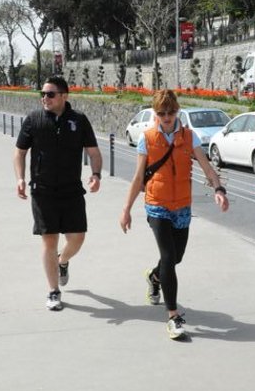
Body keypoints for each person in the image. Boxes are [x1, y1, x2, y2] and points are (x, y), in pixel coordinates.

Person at [120, 89, 229, 340]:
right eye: (162, 113)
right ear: (156, 113)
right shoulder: (147, 138)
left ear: (177, 111)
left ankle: (154, 277)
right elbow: (138, 177)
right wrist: (126, 210)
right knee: (168, 257)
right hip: (157, 204)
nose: (167, 117)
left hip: (182, 206)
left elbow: (206, 167)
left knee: (176, 257)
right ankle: (173, 316)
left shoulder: (189, 137)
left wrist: (219, 189)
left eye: (171, 112)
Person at [13, 76, 103, 311]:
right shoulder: (33, 119)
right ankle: (53, 291)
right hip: (42, 191)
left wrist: (96, 175)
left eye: (50, 94)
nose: (45, 98)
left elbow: (94, 152)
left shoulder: (79, 120)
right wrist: (20, 178)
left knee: (78, 238)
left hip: (72, 190)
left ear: (64, 96)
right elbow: (19, 152)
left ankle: (62, 261)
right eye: (42, 94)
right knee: (49, 240)